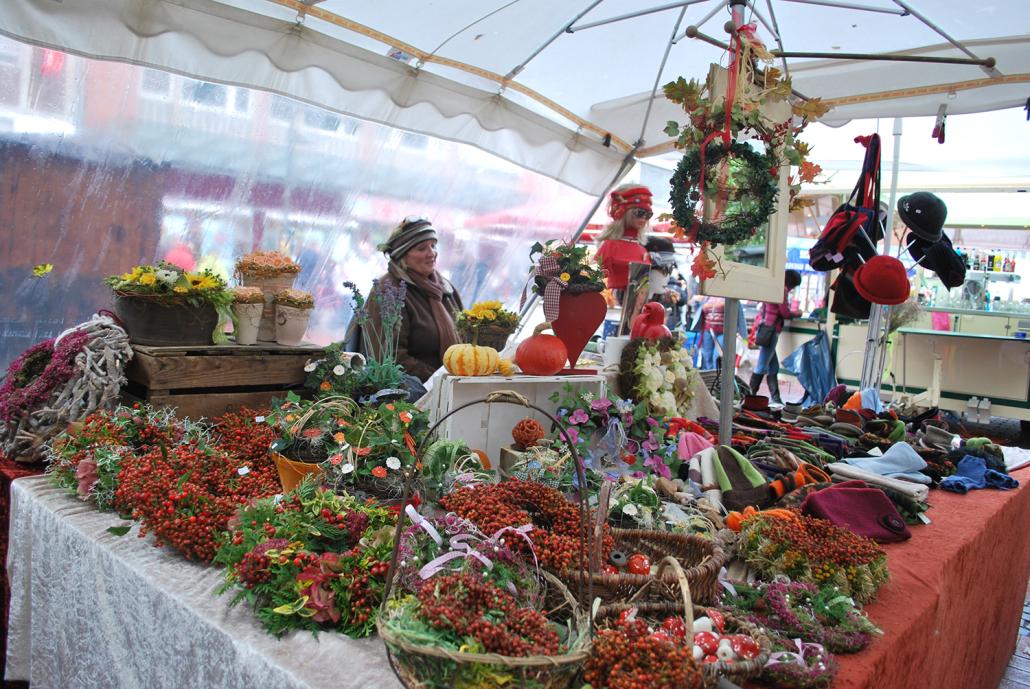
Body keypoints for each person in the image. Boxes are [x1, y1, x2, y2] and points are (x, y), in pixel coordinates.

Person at [365, 216, 463, 382]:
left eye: (433, 245)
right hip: (411, 394)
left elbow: (464, 336)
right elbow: (390, 357)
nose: (431, 253)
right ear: (403, 255)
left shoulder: (446, 289)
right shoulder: (388, 291)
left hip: (451, 384)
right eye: (421, 248)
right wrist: (438, 380)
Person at [749, 269, 803, 405]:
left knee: (773, 367)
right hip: (771, 330)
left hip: (766, 328)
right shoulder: (781, 290)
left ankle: (776, 399)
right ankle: (749, 395)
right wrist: (798, 313)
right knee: (762, 365)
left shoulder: (773, 287)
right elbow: (785, 312)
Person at [595, 184, 652, 295]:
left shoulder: (642, 250)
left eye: (648, 214)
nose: (644, 218)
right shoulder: (610, 246)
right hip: (612, 303)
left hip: (636, 304)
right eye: (640, 213)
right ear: (625, 212)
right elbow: (595, 278)